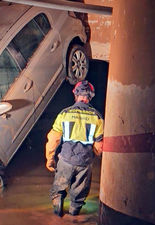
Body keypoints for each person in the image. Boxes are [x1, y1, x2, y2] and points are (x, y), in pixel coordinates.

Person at [45, 80, 103, 217]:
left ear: (75, 95)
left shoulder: (64, 114)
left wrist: (50, 159)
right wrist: (93, 156)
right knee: (79, 196)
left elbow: (53, 139)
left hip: (65, 160)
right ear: (90, 96)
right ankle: (74, 215)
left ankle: (58, 206)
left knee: (58, 189)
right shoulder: (97, 117)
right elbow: (99, 146)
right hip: (84, 163)